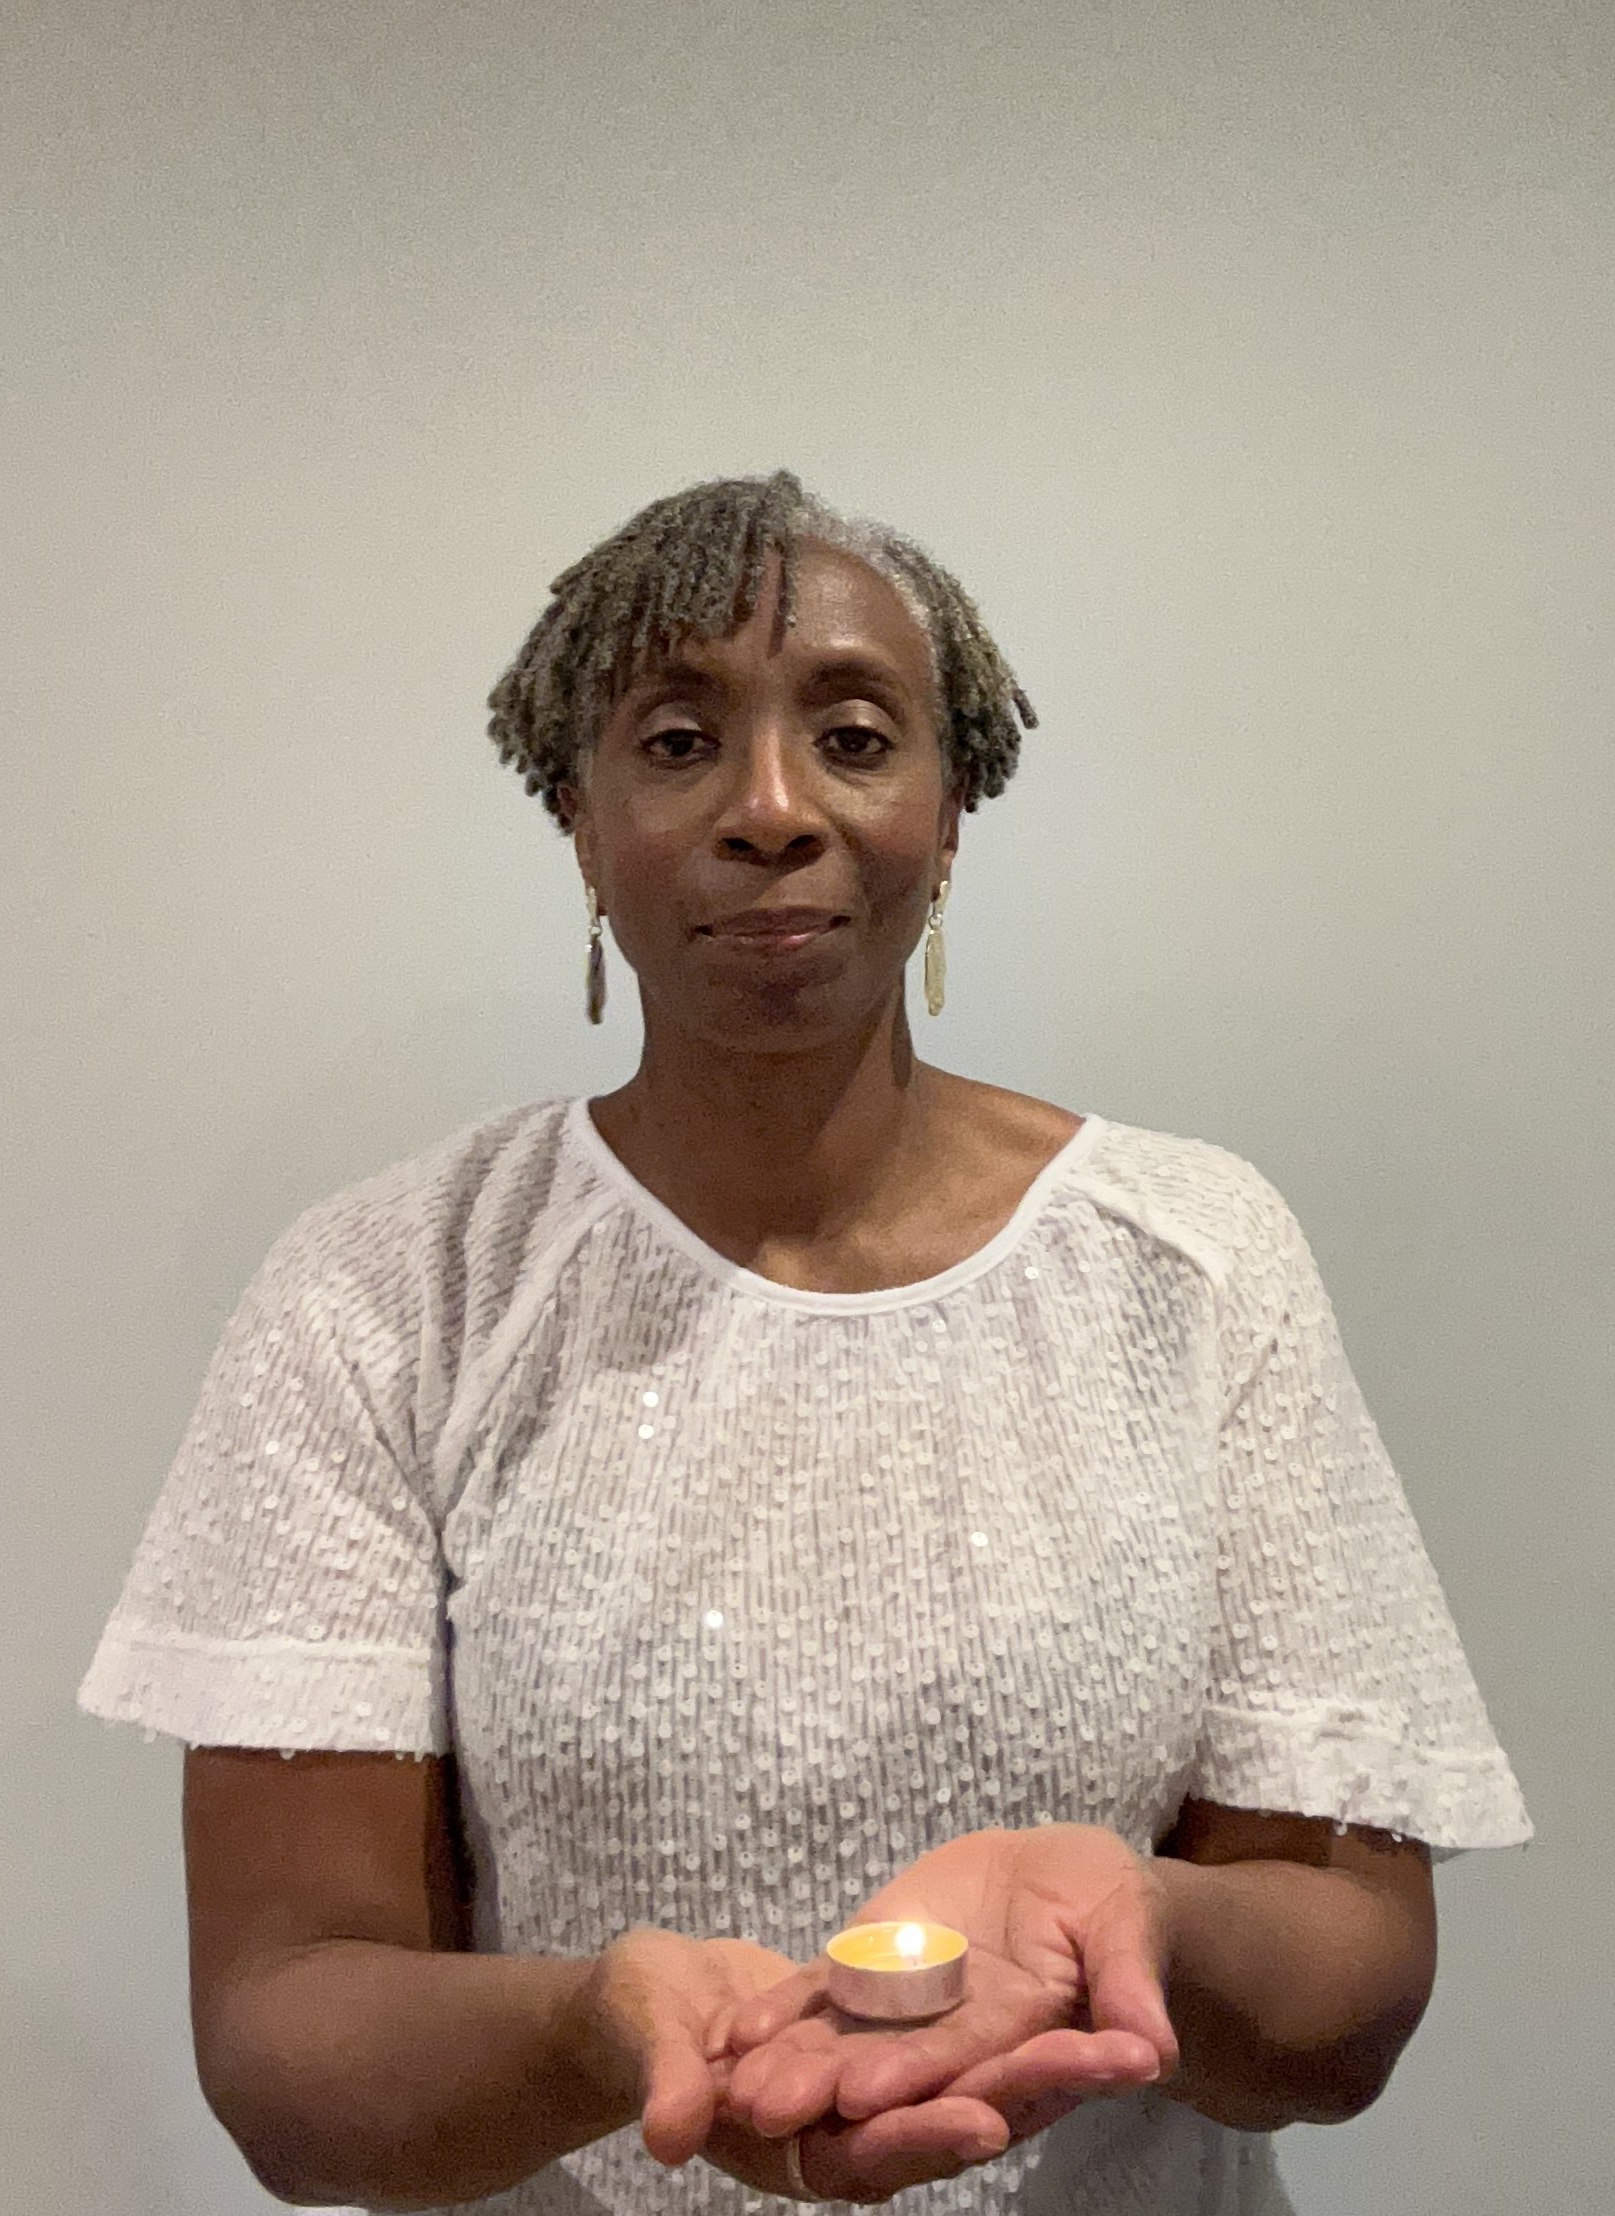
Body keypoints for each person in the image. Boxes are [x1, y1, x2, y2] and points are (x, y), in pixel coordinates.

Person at [77, 469, 1533, 2216]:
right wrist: (601, 2037)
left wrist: (1138, 1924)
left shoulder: (1196, 1261)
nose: (771, 808)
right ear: (578, 818)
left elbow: (1345, 2005)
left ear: (952, 809)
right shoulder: (390, 1292)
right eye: (678, 743)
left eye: (852, 737)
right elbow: (288, 2046)